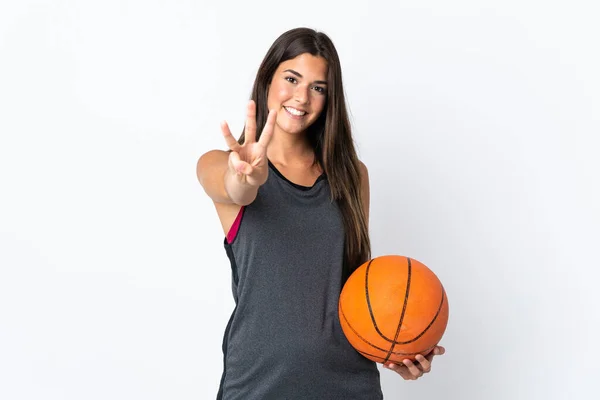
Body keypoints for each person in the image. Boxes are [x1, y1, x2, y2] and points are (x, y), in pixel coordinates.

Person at [197, 27, 445, 400]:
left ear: (330, 99)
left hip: (348, 384)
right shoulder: (220, 164)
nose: (302, 97)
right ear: (268, 79)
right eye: (292, 79)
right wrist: (244, 174)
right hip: (257, 385)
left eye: (318, 87)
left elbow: (361, 287)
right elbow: (236, 189)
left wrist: (397, 347)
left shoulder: (351, 176)